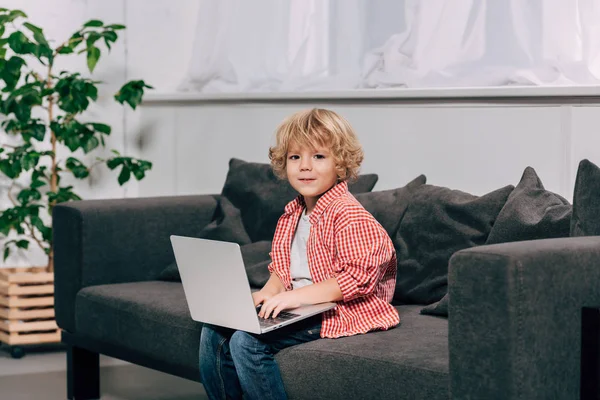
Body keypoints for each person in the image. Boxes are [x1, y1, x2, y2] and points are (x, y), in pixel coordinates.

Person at [199, 108, 399, 400]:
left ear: (340, 163)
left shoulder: (349, 215)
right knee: (215, 330)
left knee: (247, 342)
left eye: (318, 157)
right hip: (300, 304)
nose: (305, 166)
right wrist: (266, 293)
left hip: (338, 309)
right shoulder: (292, 213)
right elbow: (282, 268)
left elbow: (356, 279)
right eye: (295, 157)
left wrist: (292, 298)